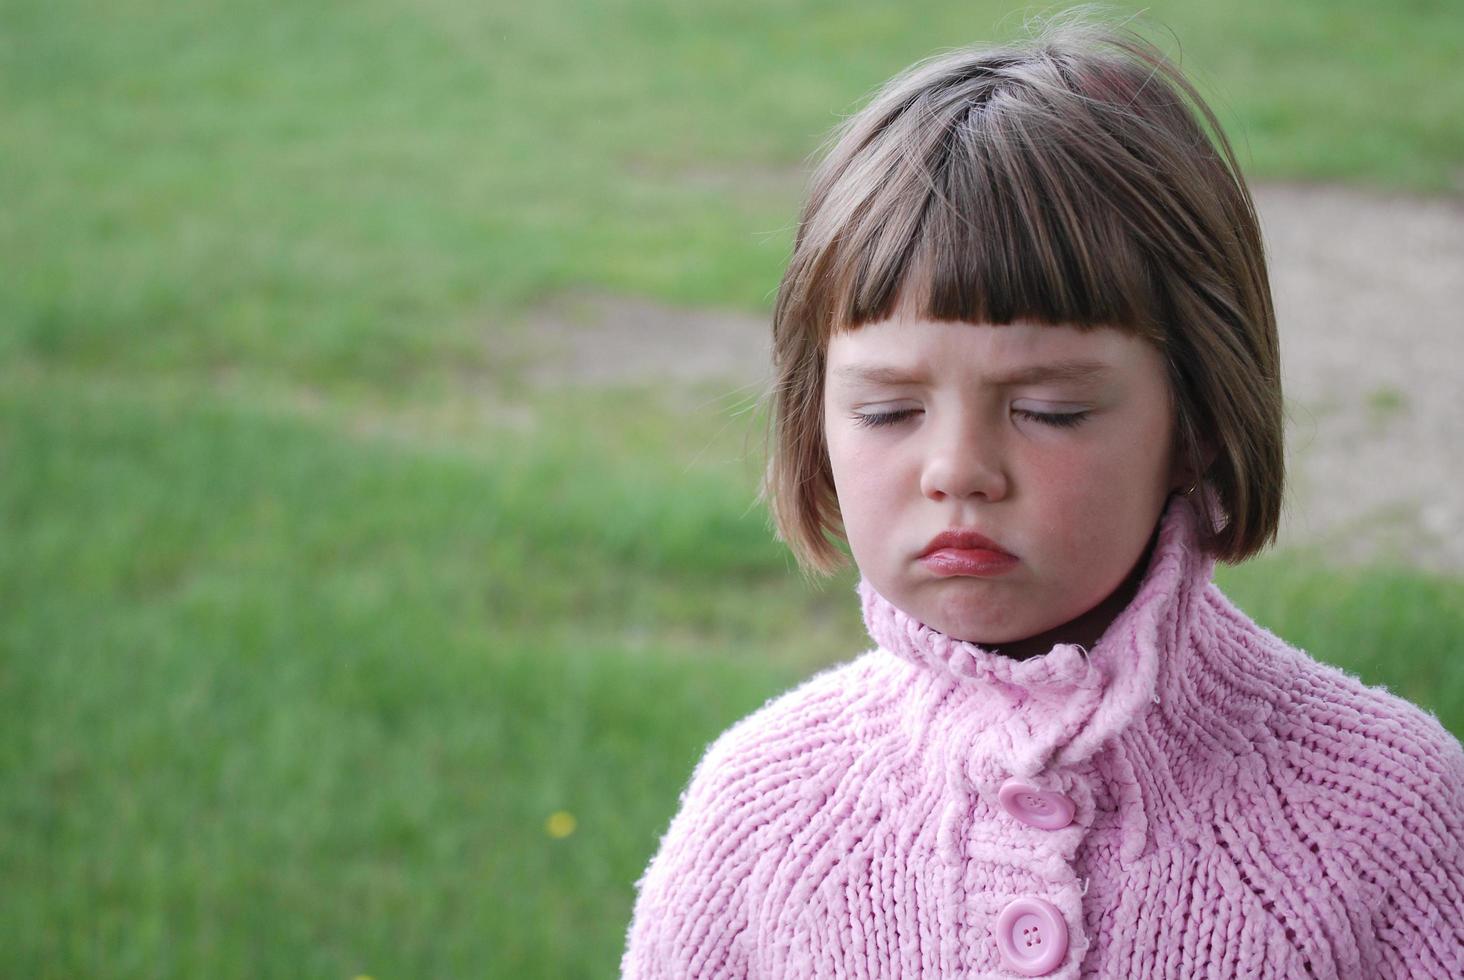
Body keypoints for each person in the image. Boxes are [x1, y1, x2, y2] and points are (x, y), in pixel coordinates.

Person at [620, 15, 1464, 979]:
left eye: (1050, 410)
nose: (958, 469)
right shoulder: (762, 816)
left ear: (1196, 421)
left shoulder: (1385, 810)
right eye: (890, 411)